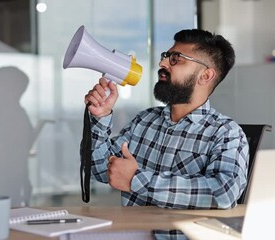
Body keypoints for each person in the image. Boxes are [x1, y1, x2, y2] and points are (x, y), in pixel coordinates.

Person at [84, 29, 248, 212]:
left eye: (176, 59)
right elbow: (100, 170)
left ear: (205, 76)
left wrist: (137, 180)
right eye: (166, 56)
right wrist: (101, 116)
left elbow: (224, 193)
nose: (162, 63)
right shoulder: (144, 120)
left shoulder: (226, 133)